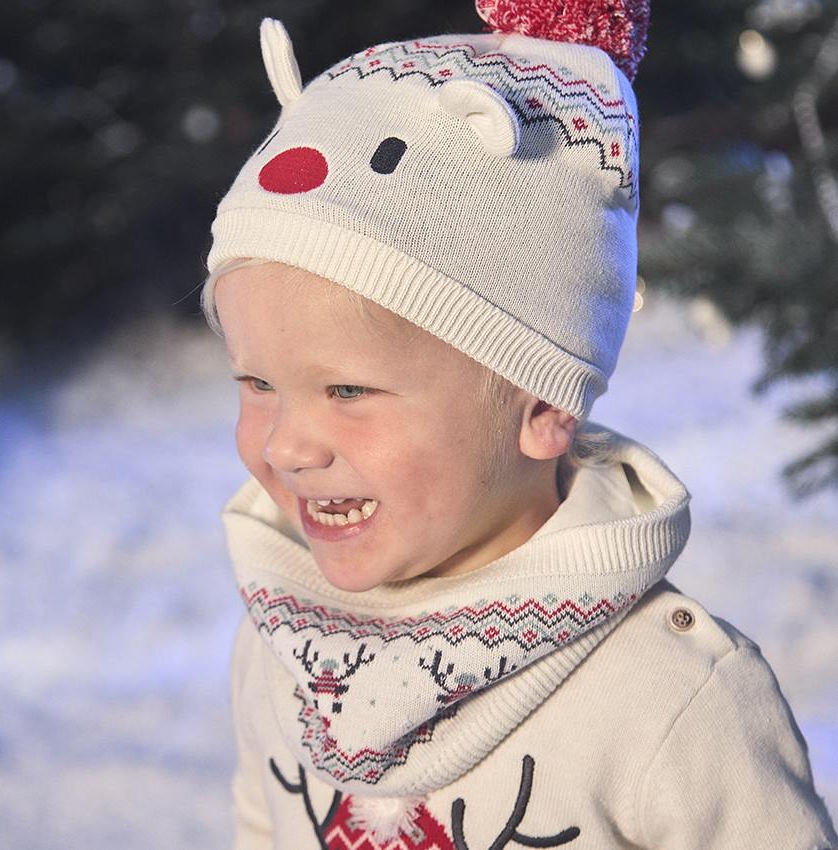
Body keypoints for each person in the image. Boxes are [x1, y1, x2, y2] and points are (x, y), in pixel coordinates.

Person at [202, 0, 838, 847]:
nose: (285, 446)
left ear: (541, 403)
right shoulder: (283, 638)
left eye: (347, 392)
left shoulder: (668, 704)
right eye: (257, 381)